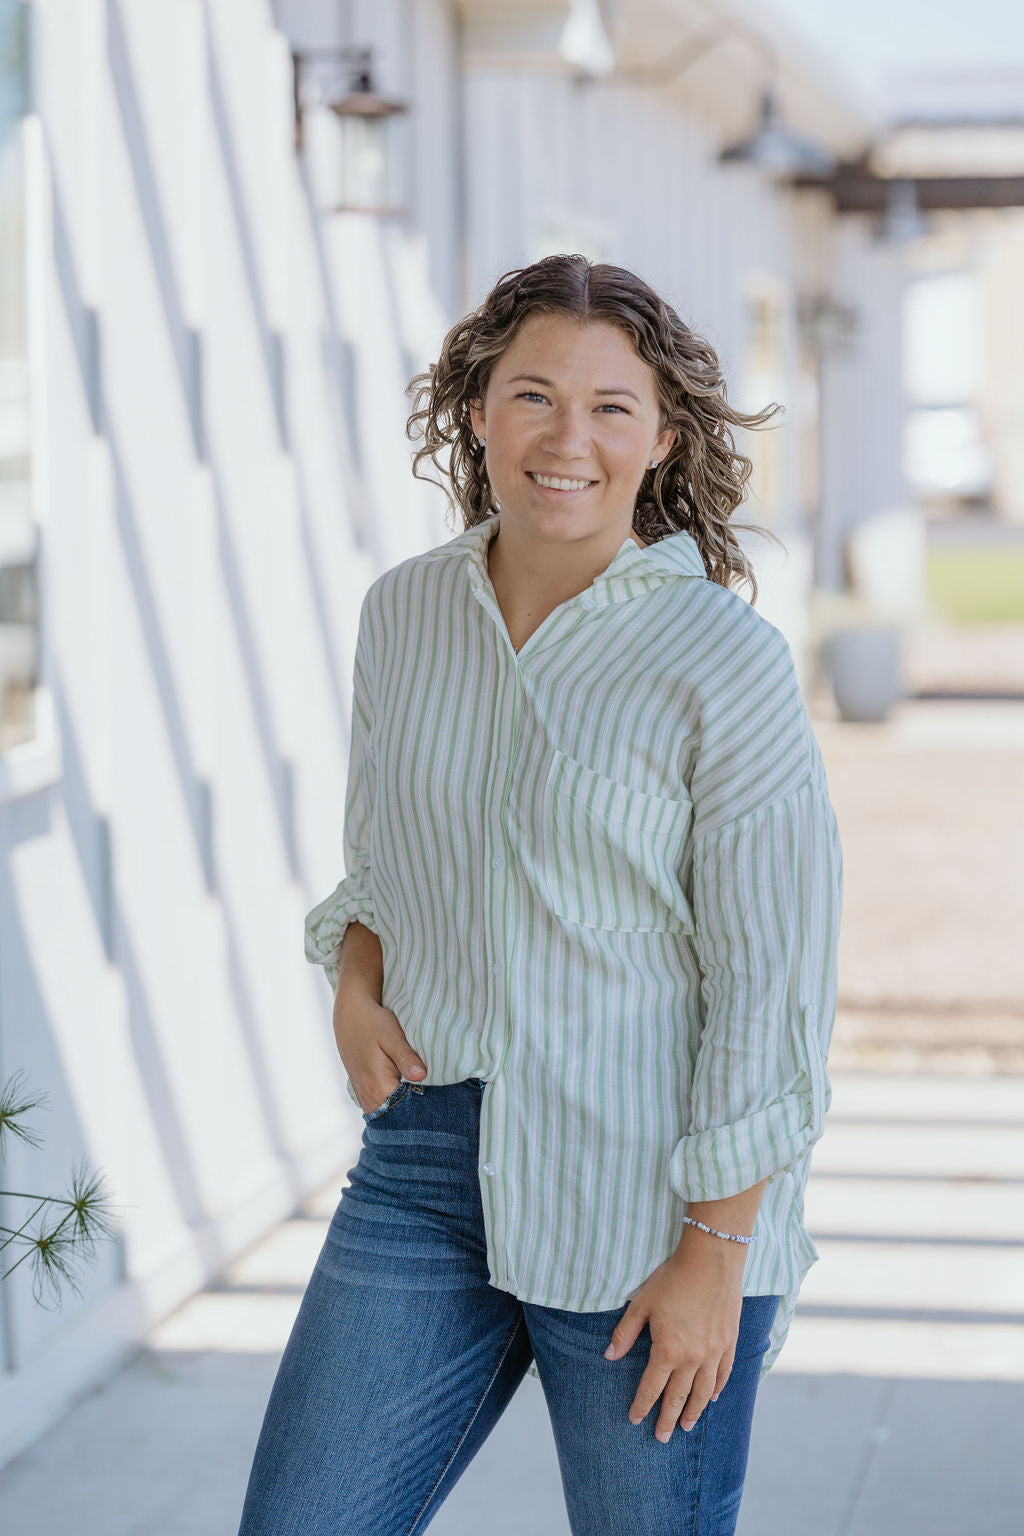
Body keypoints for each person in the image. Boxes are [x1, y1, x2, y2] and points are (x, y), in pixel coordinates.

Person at [236, 254, 843, 1536]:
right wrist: (354, 982)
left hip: (651, 1198)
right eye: (532, 395)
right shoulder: (403, 616)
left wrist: (714, 1250)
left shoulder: (722, 662)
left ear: (661, 436)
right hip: (423, 1170)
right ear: (474, 410)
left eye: (611, 407)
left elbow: (771, 983)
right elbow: (382, 862)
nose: (568, 438)